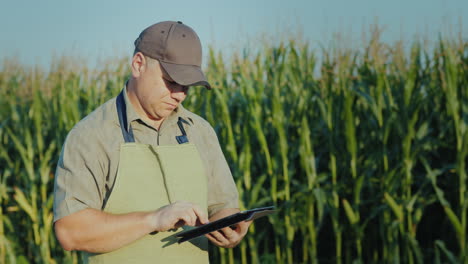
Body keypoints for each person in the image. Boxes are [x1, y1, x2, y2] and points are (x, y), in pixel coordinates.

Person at [53, 21, 251, 263]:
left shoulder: (200, 131)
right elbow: (70, 232)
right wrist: (154, 220)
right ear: (138, 64)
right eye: (171, 81)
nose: (179, 94)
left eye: (186, 85)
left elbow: (223, 205)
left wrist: (231, 227)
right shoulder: (91, 135)